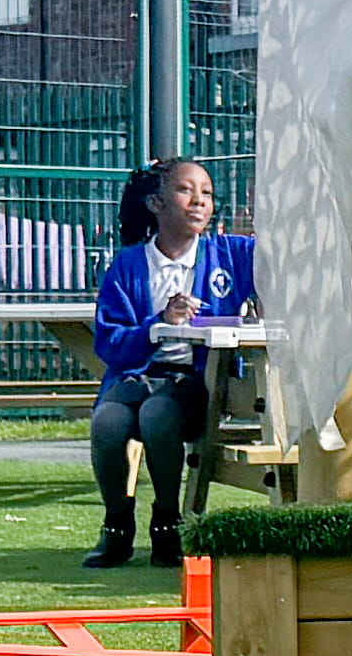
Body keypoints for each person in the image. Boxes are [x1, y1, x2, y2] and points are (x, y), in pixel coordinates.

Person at [86, 154, 254, 571]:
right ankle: (117, 525)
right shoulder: (127, 266)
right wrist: (158, 322)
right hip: (136, 377)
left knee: (159, 417)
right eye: (185, 189)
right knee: (107, 423)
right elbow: (109, 342)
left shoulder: (230, 255)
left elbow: (284, 254)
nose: (199, 200)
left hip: (192, 383)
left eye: (208, 193)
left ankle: (167, 521)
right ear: (156, 204)